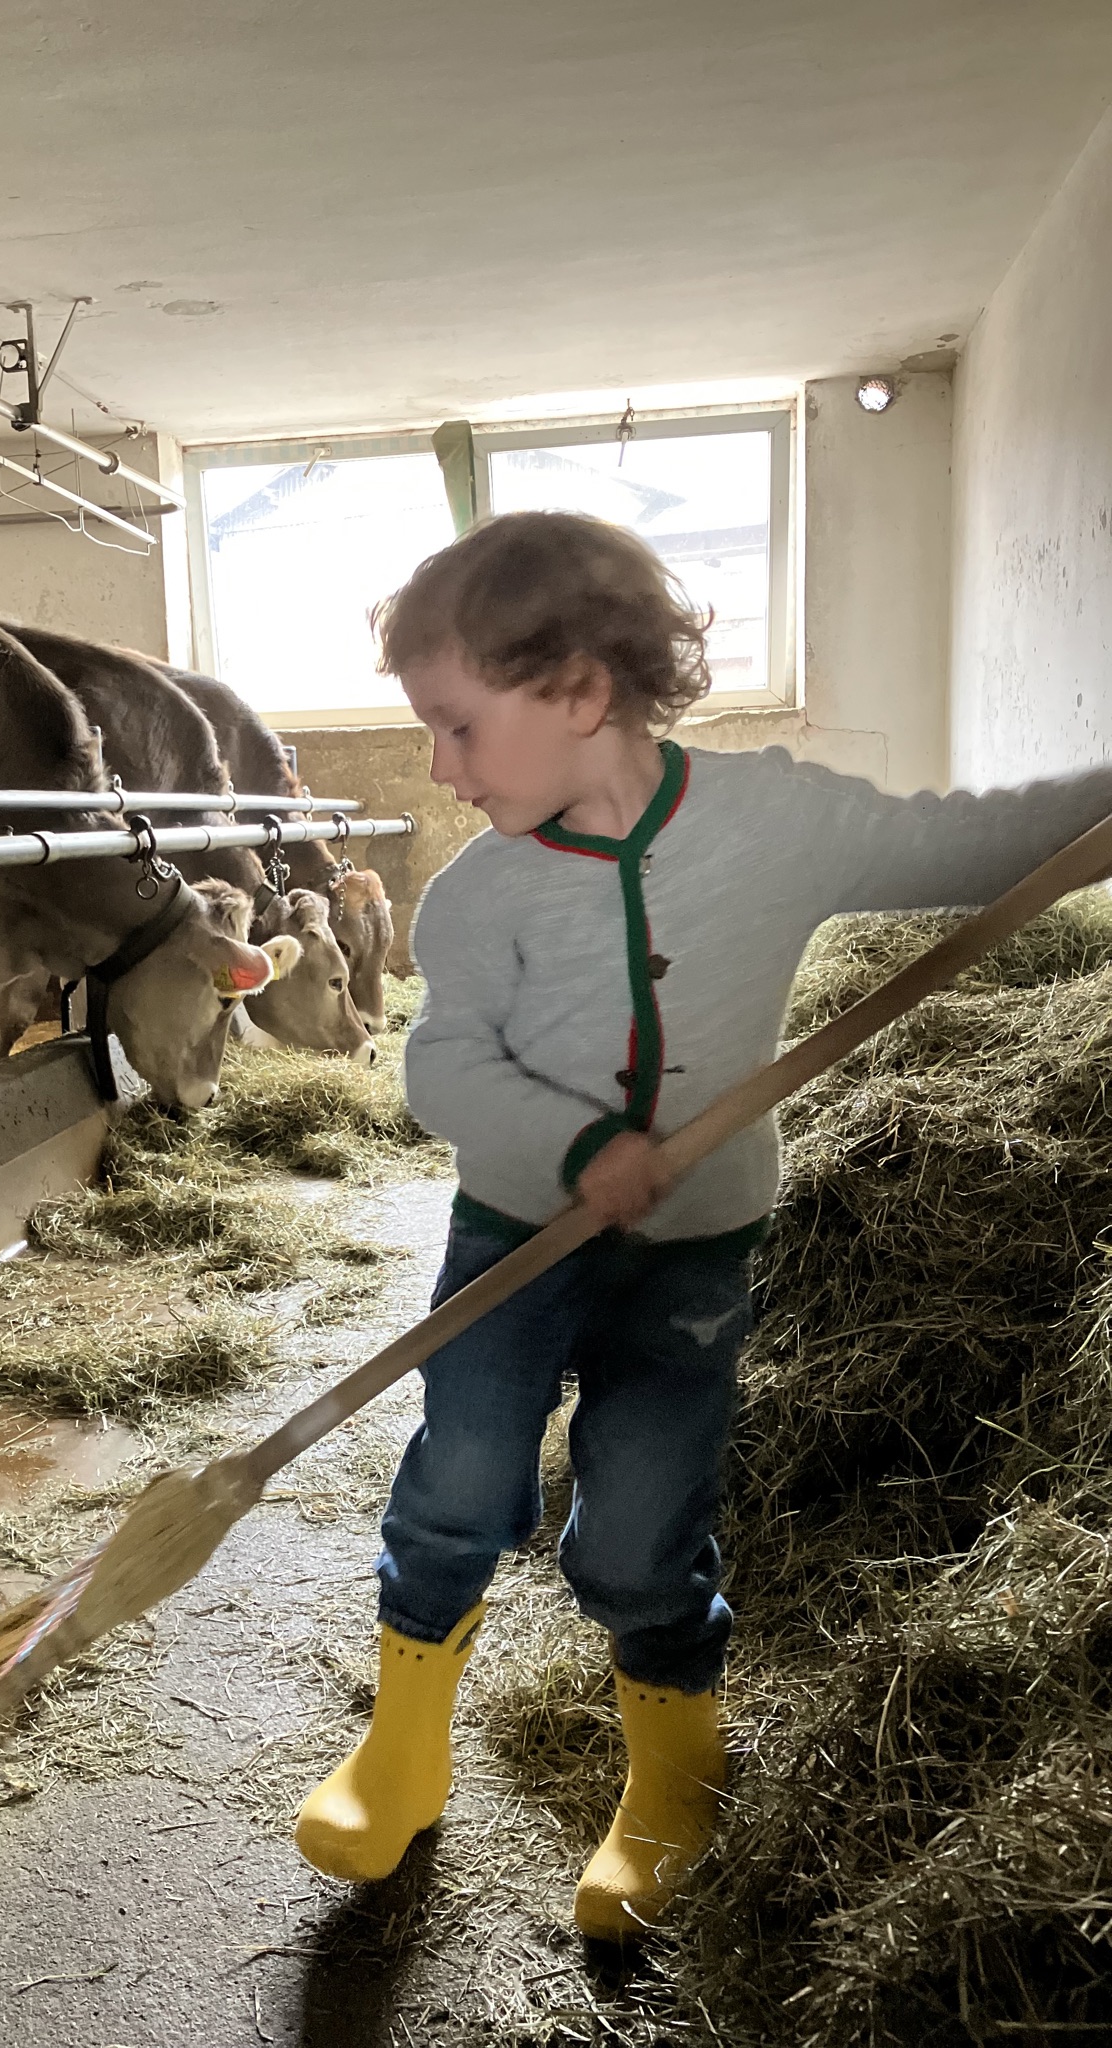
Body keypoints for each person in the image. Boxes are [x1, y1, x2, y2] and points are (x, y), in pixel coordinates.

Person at [292, 508, 1112, 1941]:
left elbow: (975, 840)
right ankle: (401, 1752)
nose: (435, 767)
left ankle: (675, 1776)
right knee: (461, 1482)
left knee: (641, 1529)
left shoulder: (775, 823)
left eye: (455, 727)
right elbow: (442, 1068)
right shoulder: (478, 893)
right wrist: (579, 1145)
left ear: (578, 693)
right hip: (510, 1241)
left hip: (694, 1252)